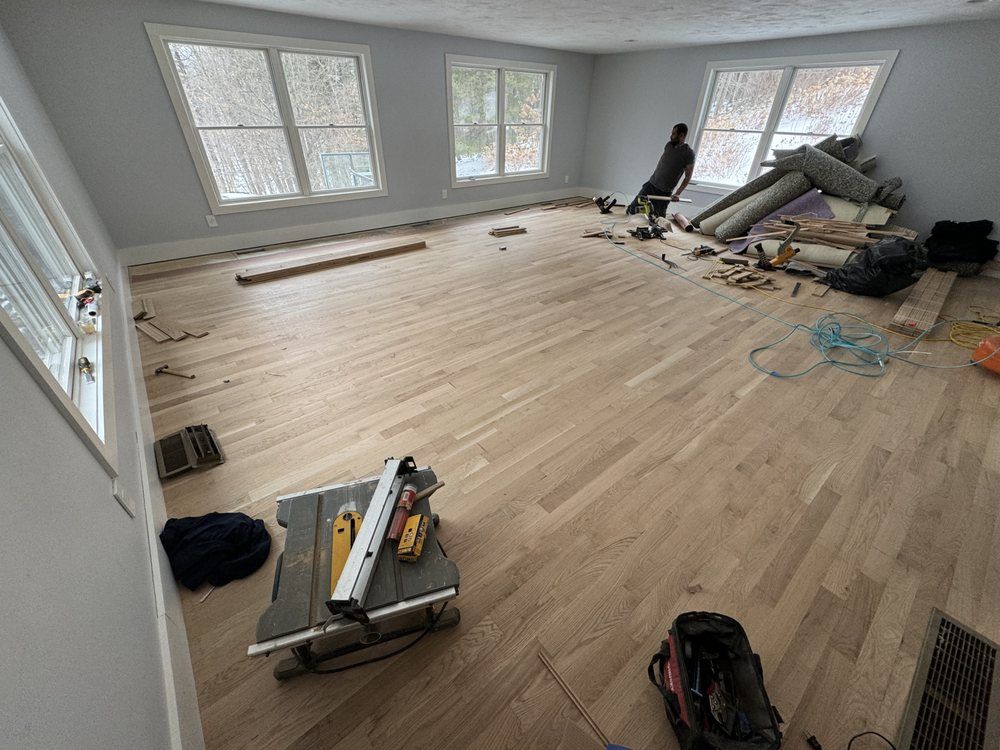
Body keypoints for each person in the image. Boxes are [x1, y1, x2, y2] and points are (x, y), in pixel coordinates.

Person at [626, 123, 696, 216]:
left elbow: (688, 176)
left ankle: (652, 215)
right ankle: (637, 211)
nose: (671, 136)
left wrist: (678, 193)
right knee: (632, 209)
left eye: (674, 134)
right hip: (651, 185)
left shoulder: (689, 153)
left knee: (659, 218)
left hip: (665, 192)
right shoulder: (669, 145)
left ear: (681, 135)